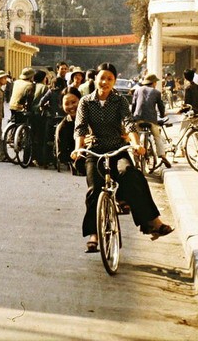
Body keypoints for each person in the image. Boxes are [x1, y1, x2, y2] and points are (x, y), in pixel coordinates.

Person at [71, 62, 173, 252]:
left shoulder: (120, 101)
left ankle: (151, 222)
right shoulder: (85, 102)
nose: (105, 82)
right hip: (95, 150)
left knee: (130, 173)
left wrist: (135, 143)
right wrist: (78, 148)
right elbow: (80, 127)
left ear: (114, 81)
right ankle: (94, 234)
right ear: (95, 79)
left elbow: (128, 123)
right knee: (94, 190)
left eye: (110, 79)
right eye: (102, 78)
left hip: (117, 149)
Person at [130, 73, 171, 169]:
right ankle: (162, 155)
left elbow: (133, 105)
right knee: (157, 137)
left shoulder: (137, 90)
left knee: (136, 139)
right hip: (151, 120)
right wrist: (162, 115)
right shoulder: (156, 92)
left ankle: (135, 158)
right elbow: (161, 106)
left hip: (138, 118)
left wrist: (133, 117)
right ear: (153, 83)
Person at [55, 87, 81, 172]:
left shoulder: (93, 118)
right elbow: (61, 155)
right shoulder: (63, 127)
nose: (71, 106)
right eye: (66, 103)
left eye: (73, 102)